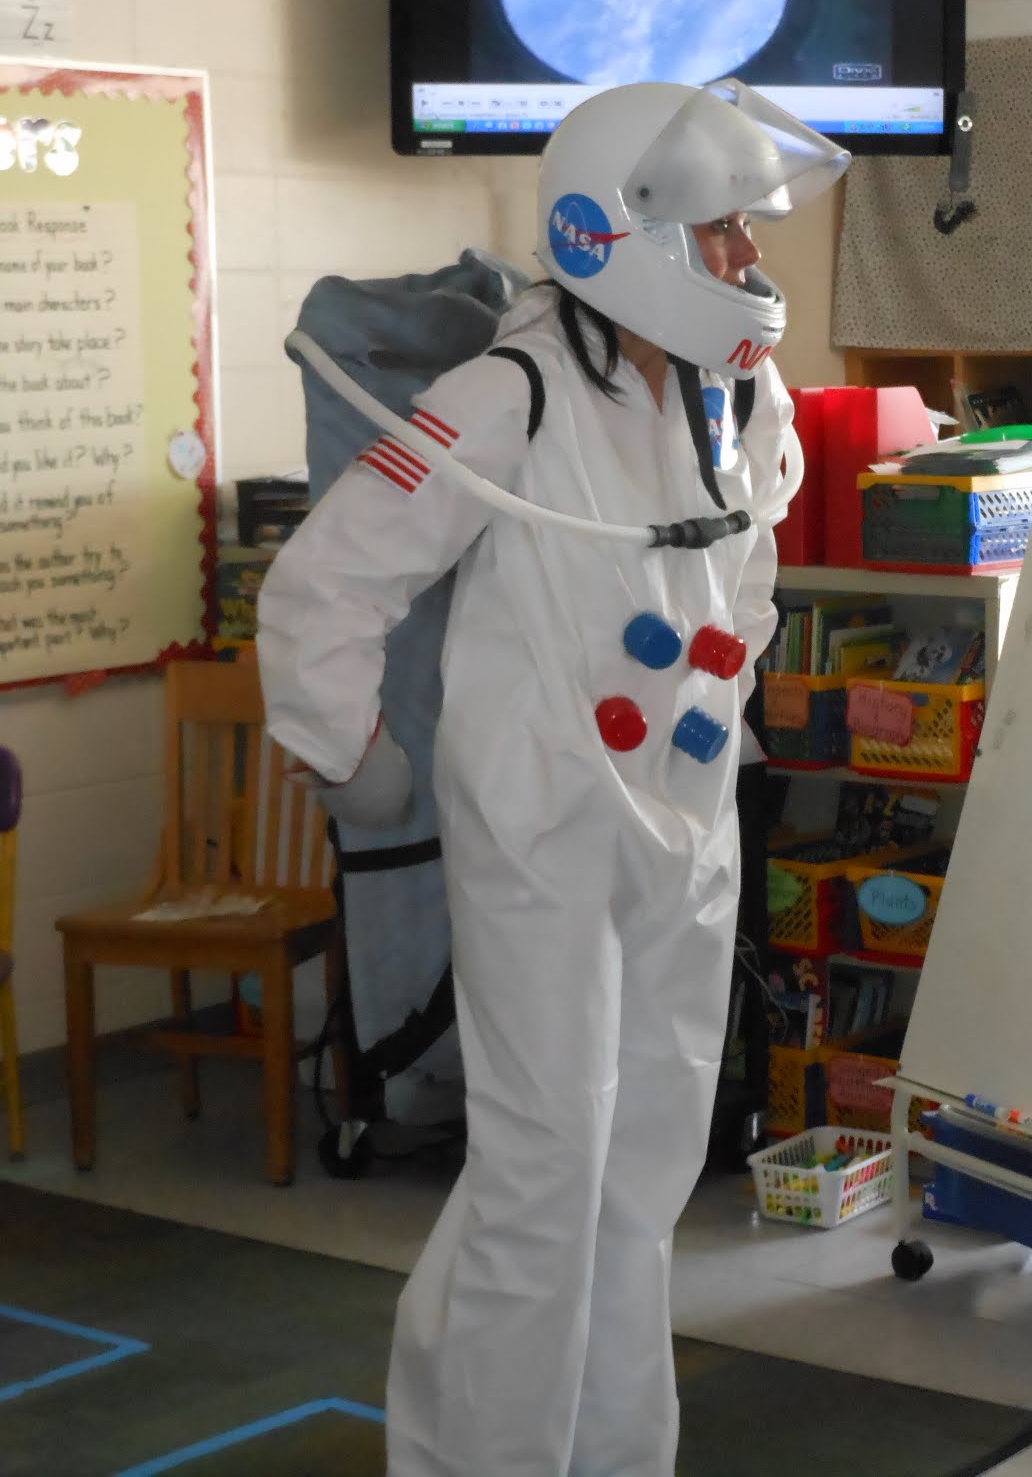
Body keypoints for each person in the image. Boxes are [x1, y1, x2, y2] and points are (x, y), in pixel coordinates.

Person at [256, 78, 849, 1477]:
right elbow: (321, 589)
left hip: (683, 824)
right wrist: (357, 765)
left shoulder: (735, 388)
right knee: (543, 1171)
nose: (750, 259)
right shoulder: (508, 392)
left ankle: (618, 1456)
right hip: (539, 825)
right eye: (723, 232)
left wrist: (724, 698)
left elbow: (748, 562)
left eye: (747, 230)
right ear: (619, 233)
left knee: (646, 1167)